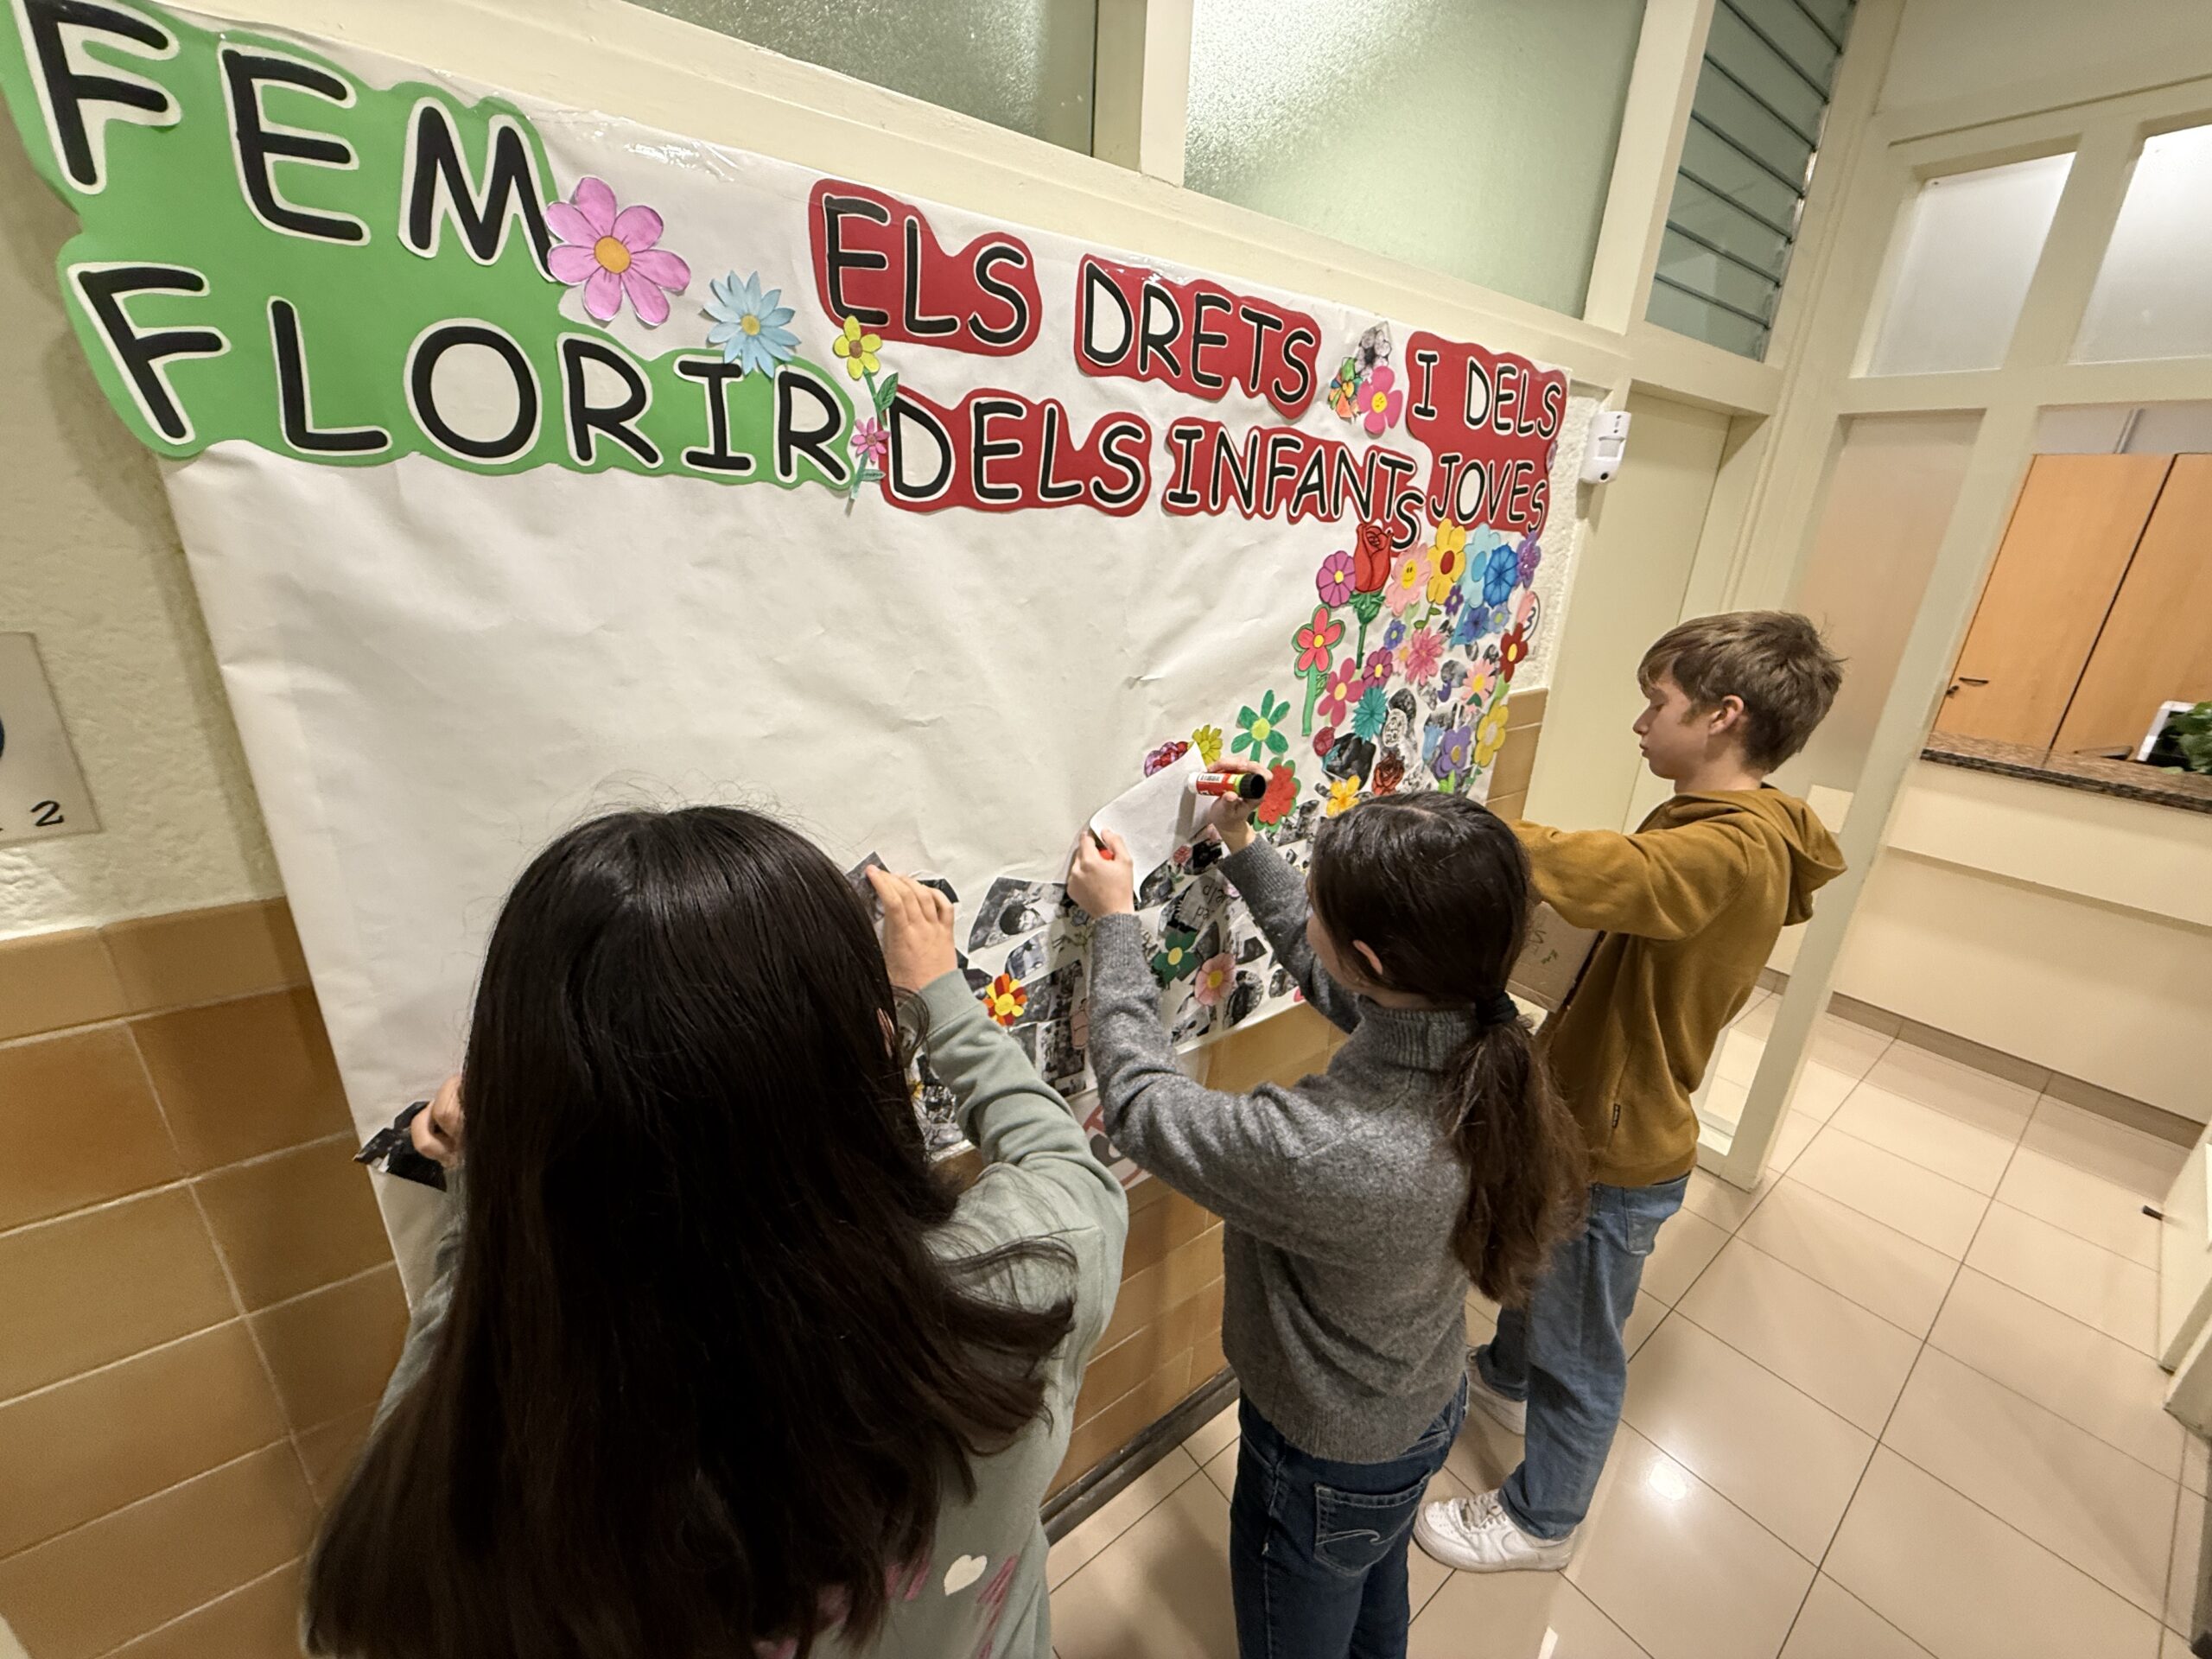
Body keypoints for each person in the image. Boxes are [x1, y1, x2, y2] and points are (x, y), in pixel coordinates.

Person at [306, 807, 1128, 1659]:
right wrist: (942, 1000)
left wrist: (483, 1195)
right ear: (873, 1053)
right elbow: (1063, 1164)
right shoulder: (1030, 1278)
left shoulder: (455, 1515)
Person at [1066, 784, 1588, 1659]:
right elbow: (1334, 977)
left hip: (1328, 1458)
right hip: (1416, 1405)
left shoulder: (1341, 1154)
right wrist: (1240, 844)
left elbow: (1141, 1106)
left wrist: (1115, 924)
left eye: (1316, 904)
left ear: (1371, 960)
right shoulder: (1473, 1030)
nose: (1306, 912)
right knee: (1374, 1592)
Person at [1415, 610, 1846, 1573]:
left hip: (1620, 1146)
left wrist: (1465, 827)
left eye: (1659, 703)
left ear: (1724, 716)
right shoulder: (1715, 821)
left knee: (1581, 1347)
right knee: (1543, 1258)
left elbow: (1622, 875)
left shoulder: (1730, 846)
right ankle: (1507, 1376)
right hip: (1590, 1112)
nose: (1641, 723)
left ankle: (1544, 1520)